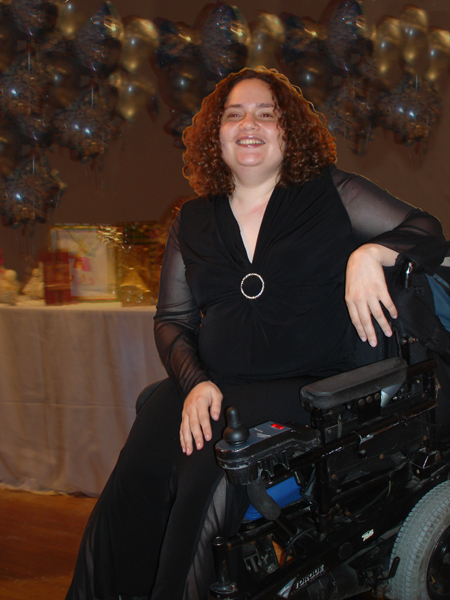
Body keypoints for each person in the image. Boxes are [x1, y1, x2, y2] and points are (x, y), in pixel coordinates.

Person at [65, 67, 447, 600]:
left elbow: (427, 229)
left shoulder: (331, 194)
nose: (250, 124)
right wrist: (195, 380)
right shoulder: (192, 219)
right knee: (138, 474)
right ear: (214, 134)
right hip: (212, 382)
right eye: (235, 114)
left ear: (289, 133)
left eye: (267, 114)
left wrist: (370, 253)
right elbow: (173, 320)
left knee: (208, 473)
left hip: (309, 384)